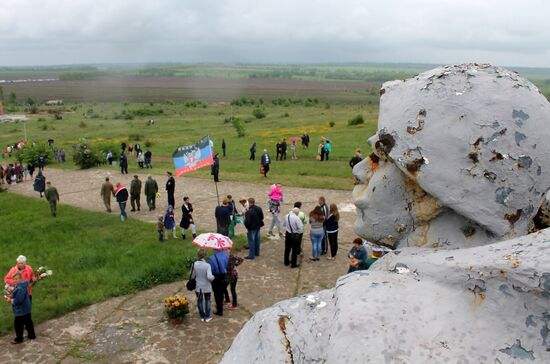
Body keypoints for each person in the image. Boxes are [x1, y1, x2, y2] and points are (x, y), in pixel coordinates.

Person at [10, 272, 36, 344]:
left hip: (21, 310)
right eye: (14, 279)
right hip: (26, 308)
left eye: (16, 279)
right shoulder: (23, 285)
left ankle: (19, 339)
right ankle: (32, 335)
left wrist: (11, 300)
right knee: (28, 322)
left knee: (18, 324)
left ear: (20, 279)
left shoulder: (20, 288)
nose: (15, 281)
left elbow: (18, 300)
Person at [191, 249, 215, 322]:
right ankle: (207, 317)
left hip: (198, 286)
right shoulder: (207, 265)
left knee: (199, 300)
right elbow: (209, 277)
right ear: (205, 255)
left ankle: (202, 316)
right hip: (206, 286)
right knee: (207, 299)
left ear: (198, 255)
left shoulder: (194, 264)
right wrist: (213, 277)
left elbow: (192, 276)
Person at [209, 248, 229, 316]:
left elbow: (212, 270)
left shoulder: (212, 258)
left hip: (216, 277)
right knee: (222, 292)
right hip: (224, 276)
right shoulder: (226, 255)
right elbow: (227, 266)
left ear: (214, 249)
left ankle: (219, 310)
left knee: (217, 294)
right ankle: (221, 306)